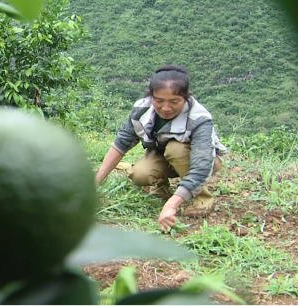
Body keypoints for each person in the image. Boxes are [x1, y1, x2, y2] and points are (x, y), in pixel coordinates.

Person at [94, 65, 228, 231]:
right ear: (151, 96)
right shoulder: (141, 110)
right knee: (140, 173)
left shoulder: (199, 118)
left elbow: (202, 165)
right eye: (159, 101)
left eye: (174, 102)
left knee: (176, 150)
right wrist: (96, 181)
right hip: (162, 156)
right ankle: (162, 190)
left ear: (187, 98)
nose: (166, 108)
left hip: (203, 160)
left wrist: (172, 205)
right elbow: (122, 143)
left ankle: (201, 198)